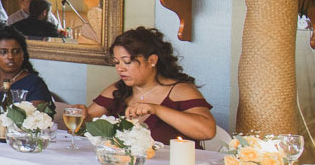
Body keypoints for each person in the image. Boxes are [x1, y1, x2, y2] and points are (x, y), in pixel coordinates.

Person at [87, 26, 217, 144]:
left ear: (152, 60)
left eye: (127, 62)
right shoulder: (118, 89)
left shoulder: (180, 90)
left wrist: (156, 109)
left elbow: (207, 131)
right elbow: (89, 121)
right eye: (116, 62)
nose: (120, 69)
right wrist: (82, 115)